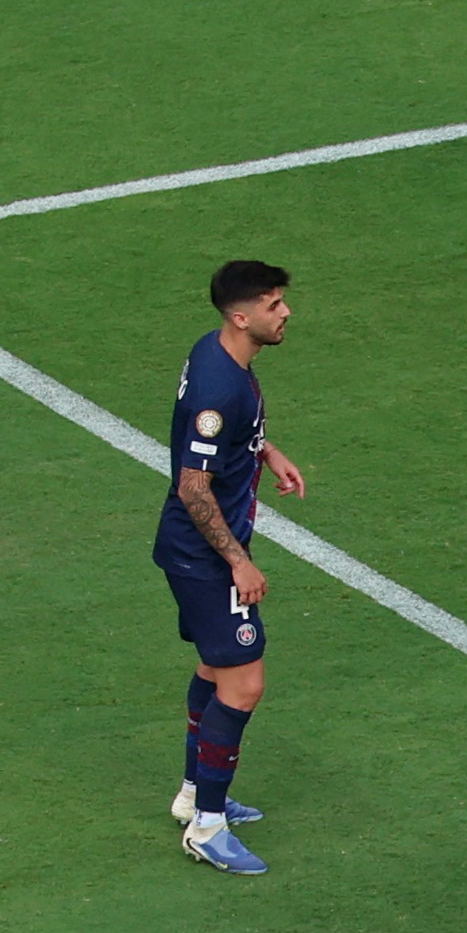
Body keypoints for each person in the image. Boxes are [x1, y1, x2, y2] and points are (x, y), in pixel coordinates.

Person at [156, 261, 306, 874]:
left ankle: (194, 793)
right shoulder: (219, 389)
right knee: (244, 684)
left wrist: (264, 449)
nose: (286, 311)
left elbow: (222, 444)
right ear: (242, 317)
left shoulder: (220, 352)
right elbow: (194, 487)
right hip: (204, 558)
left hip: (197, 554)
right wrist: (239, 563)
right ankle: (207, 826)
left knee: (215, 667)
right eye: (274, 304)